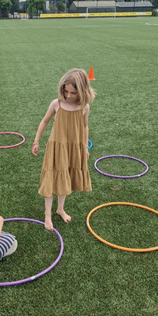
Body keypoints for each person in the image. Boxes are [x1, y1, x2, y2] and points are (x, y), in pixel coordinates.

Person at [32, 68, 95, 231]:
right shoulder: (57, 104)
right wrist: (36, 141)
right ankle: (47, 214)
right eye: (65, 91)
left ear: (82, 91)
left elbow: (85, 126)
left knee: (65, 176)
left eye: (73, 92)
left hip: (73, 148)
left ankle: (60, 208)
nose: (68, 96)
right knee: (51, 179)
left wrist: (85, 147)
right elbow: (44, 121)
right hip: (56, 147)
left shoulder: (84, 107)